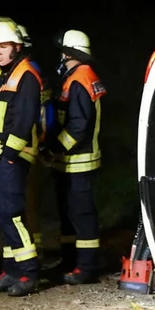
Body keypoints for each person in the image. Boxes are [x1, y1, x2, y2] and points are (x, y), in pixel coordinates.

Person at [0, 20, 44, 297]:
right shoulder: (7, 74)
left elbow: (25, 118)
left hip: (11, 154)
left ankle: (28, 271)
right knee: (3, 213)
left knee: (12, 212)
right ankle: (10, 270)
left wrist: (12, 155)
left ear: (17, 46)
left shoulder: (27, 74)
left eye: (3, 46)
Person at [43, 29, 106, 284]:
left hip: (78, 160)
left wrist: (55, 149)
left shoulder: (79, 80)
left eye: (63, 53)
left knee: (81, 215)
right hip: (69, 161)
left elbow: (78, 125)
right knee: (68, 213)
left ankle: (87, 267)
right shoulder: (78, 77)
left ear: (70, 54)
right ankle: (71, 261)